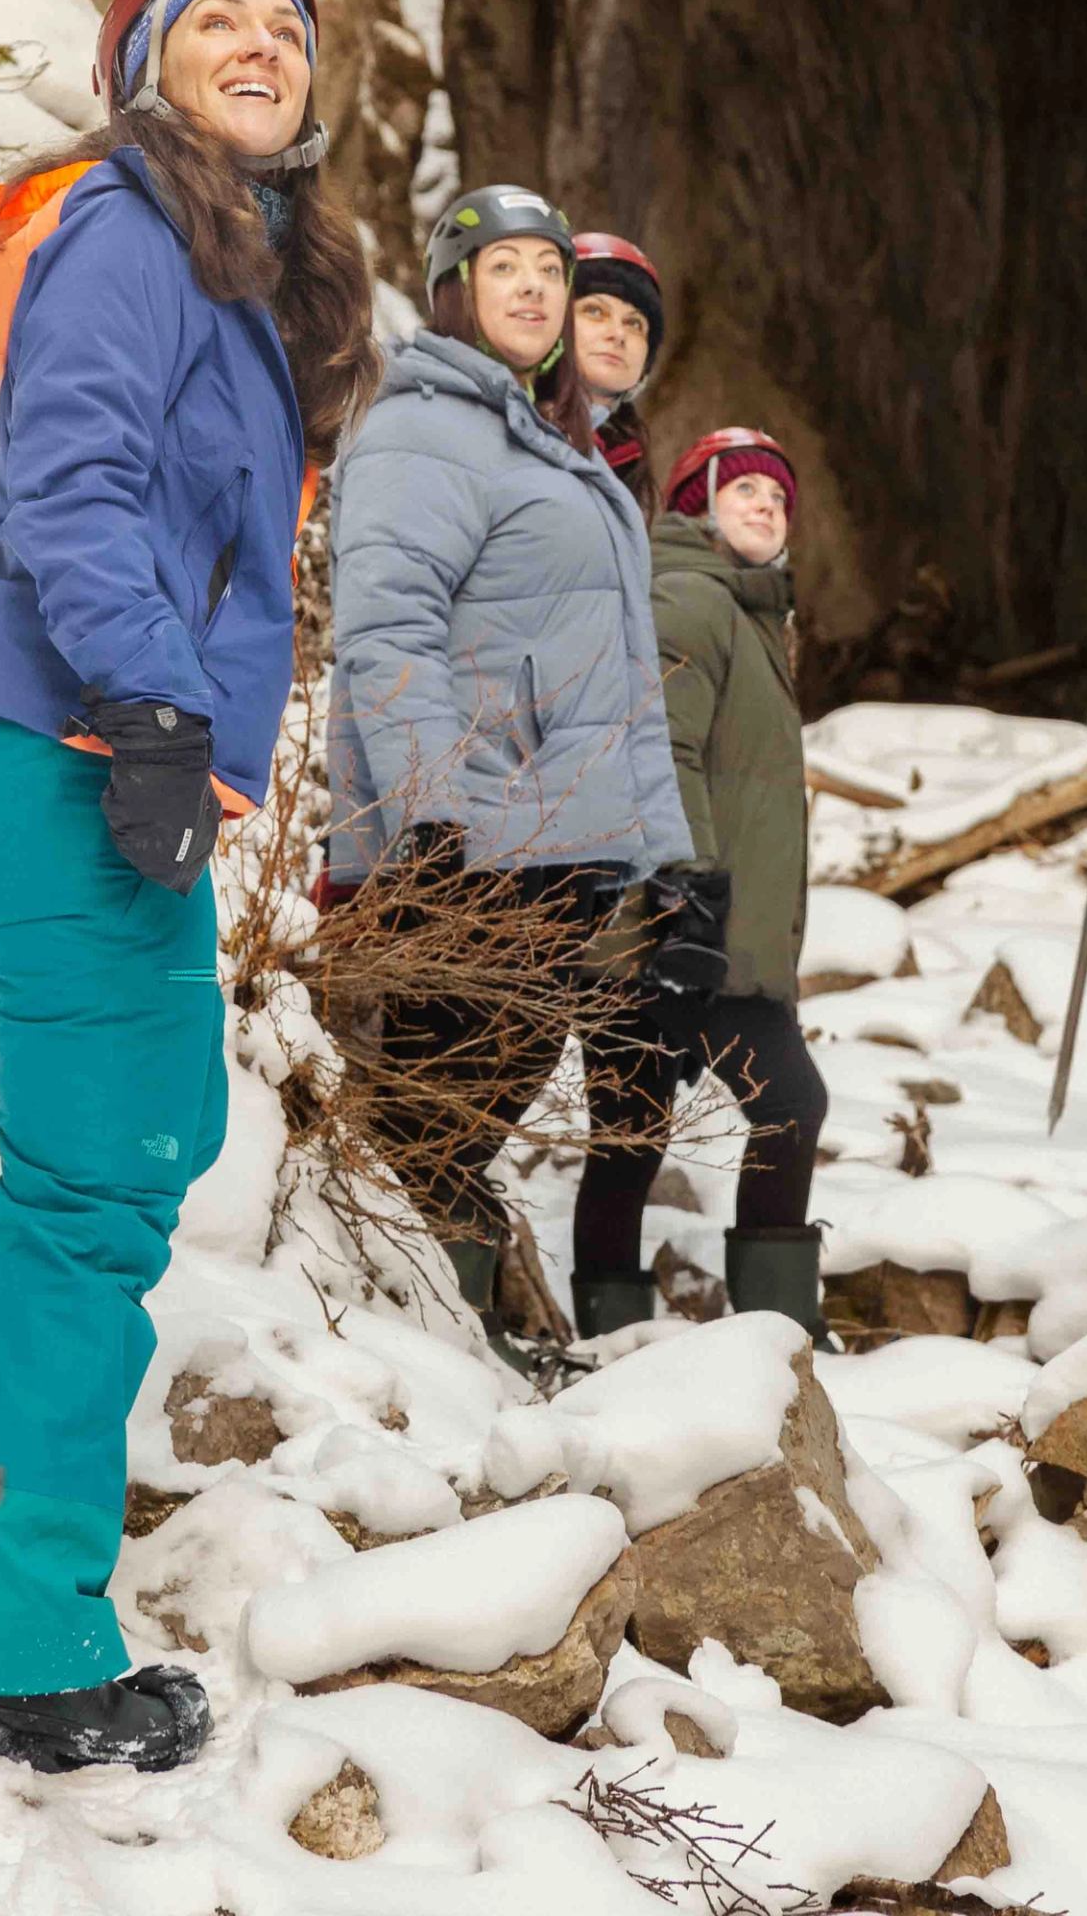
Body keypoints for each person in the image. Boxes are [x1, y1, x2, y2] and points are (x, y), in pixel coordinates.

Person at [0, 0, 377, 1770]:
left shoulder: (239, 266)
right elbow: (75, 473)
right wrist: (159, 709)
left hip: (91, 742)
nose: (260, 45)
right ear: (147, 69)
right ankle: (18, 1647)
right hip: (72, 737)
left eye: (286, 28)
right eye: (218, 23)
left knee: (150, 1126)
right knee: (98, 1189)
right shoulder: (130, 224)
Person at [327, 183, 692, 1335]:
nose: (534, 289)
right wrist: (432, 815)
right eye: (504, 270)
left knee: (461, 1132)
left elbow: (620, 672)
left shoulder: (553, 443)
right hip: (475, 847)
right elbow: (388, 628)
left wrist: (660, 854)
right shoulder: (424, 424)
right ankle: (408, 1360)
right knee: (424, 1135)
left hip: (561, 852)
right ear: (452, 292)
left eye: (549, 271)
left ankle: (453, 1353)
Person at [572, 425, 828, 1341]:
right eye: (744, 489)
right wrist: (688, 897)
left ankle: (608, 1339)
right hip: (683, 931)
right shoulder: (690, 596)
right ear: (695, 505)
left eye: (779, 496)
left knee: (629, 1134)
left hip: (677, 931)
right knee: (790, 1105)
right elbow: (663, 748)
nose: (767, 505)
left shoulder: (745, 614)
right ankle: (777, 1336)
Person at [573, 230, 665, 514]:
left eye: (634, 324)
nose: (618, 334)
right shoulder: (505, 426)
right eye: (594, 311)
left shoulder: (629, 468)